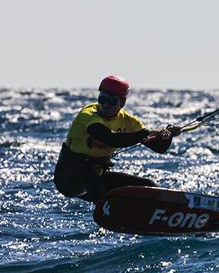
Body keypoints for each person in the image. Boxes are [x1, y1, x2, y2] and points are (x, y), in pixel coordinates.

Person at [53, 75, 181, 203]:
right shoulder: (88, 115)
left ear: (122, 103)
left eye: (112, 101)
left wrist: (167, 136)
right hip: (68, 179)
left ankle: (163, 212)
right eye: (102, 99)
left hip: (96, 178)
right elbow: (111, 139)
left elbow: (159, 148)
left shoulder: (128, 121)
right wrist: (144, 134)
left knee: (148, 185)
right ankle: (106, 212)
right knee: (87, 174)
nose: (105, 105)